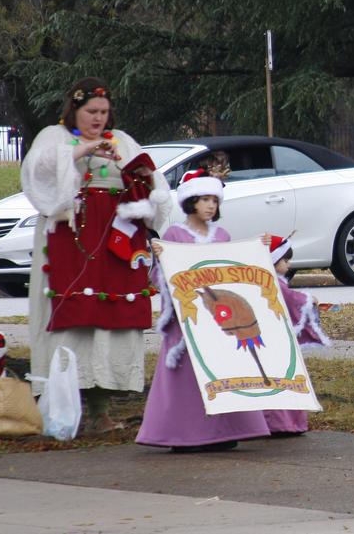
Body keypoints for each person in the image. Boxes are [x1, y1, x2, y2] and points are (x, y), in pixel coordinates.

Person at [22, 77, 173, 434]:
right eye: (91, 111)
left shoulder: (122, 141)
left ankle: (99, 411)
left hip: (114, 243)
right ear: (74, 109)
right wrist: (82, 152)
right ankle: (61, 411)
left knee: (109, 320)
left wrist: (145, 183)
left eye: (104, 112)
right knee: (73, 319)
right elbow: (36, 174)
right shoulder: (54, 137)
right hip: (69, 243)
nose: (98, 119)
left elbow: (156, 187)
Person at [136, 170, 271, 451]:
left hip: (218, 319)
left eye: (215, 200)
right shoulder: (174, 234)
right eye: (205, 199)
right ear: (190, 201)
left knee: (220, 371)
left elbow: (231, 272)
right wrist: (162, 261)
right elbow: (163, 278)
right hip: (187, 319)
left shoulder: (222, 235)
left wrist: (257, 249)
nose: (211, 205)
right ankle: (186, 434)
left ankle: (223, 431)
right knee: (187, 377)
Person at [261, 235, 331, 435]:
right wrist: (309, 299)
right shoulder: (272, 283)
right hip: (276, 343)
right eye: (285, 260)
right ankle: (280, 423)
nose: (288, 264)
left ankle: (283, 422)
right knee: (282, 379)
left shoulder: (270, 281)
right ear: (273, 261)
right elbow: (290, 299)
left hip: (274, 340)